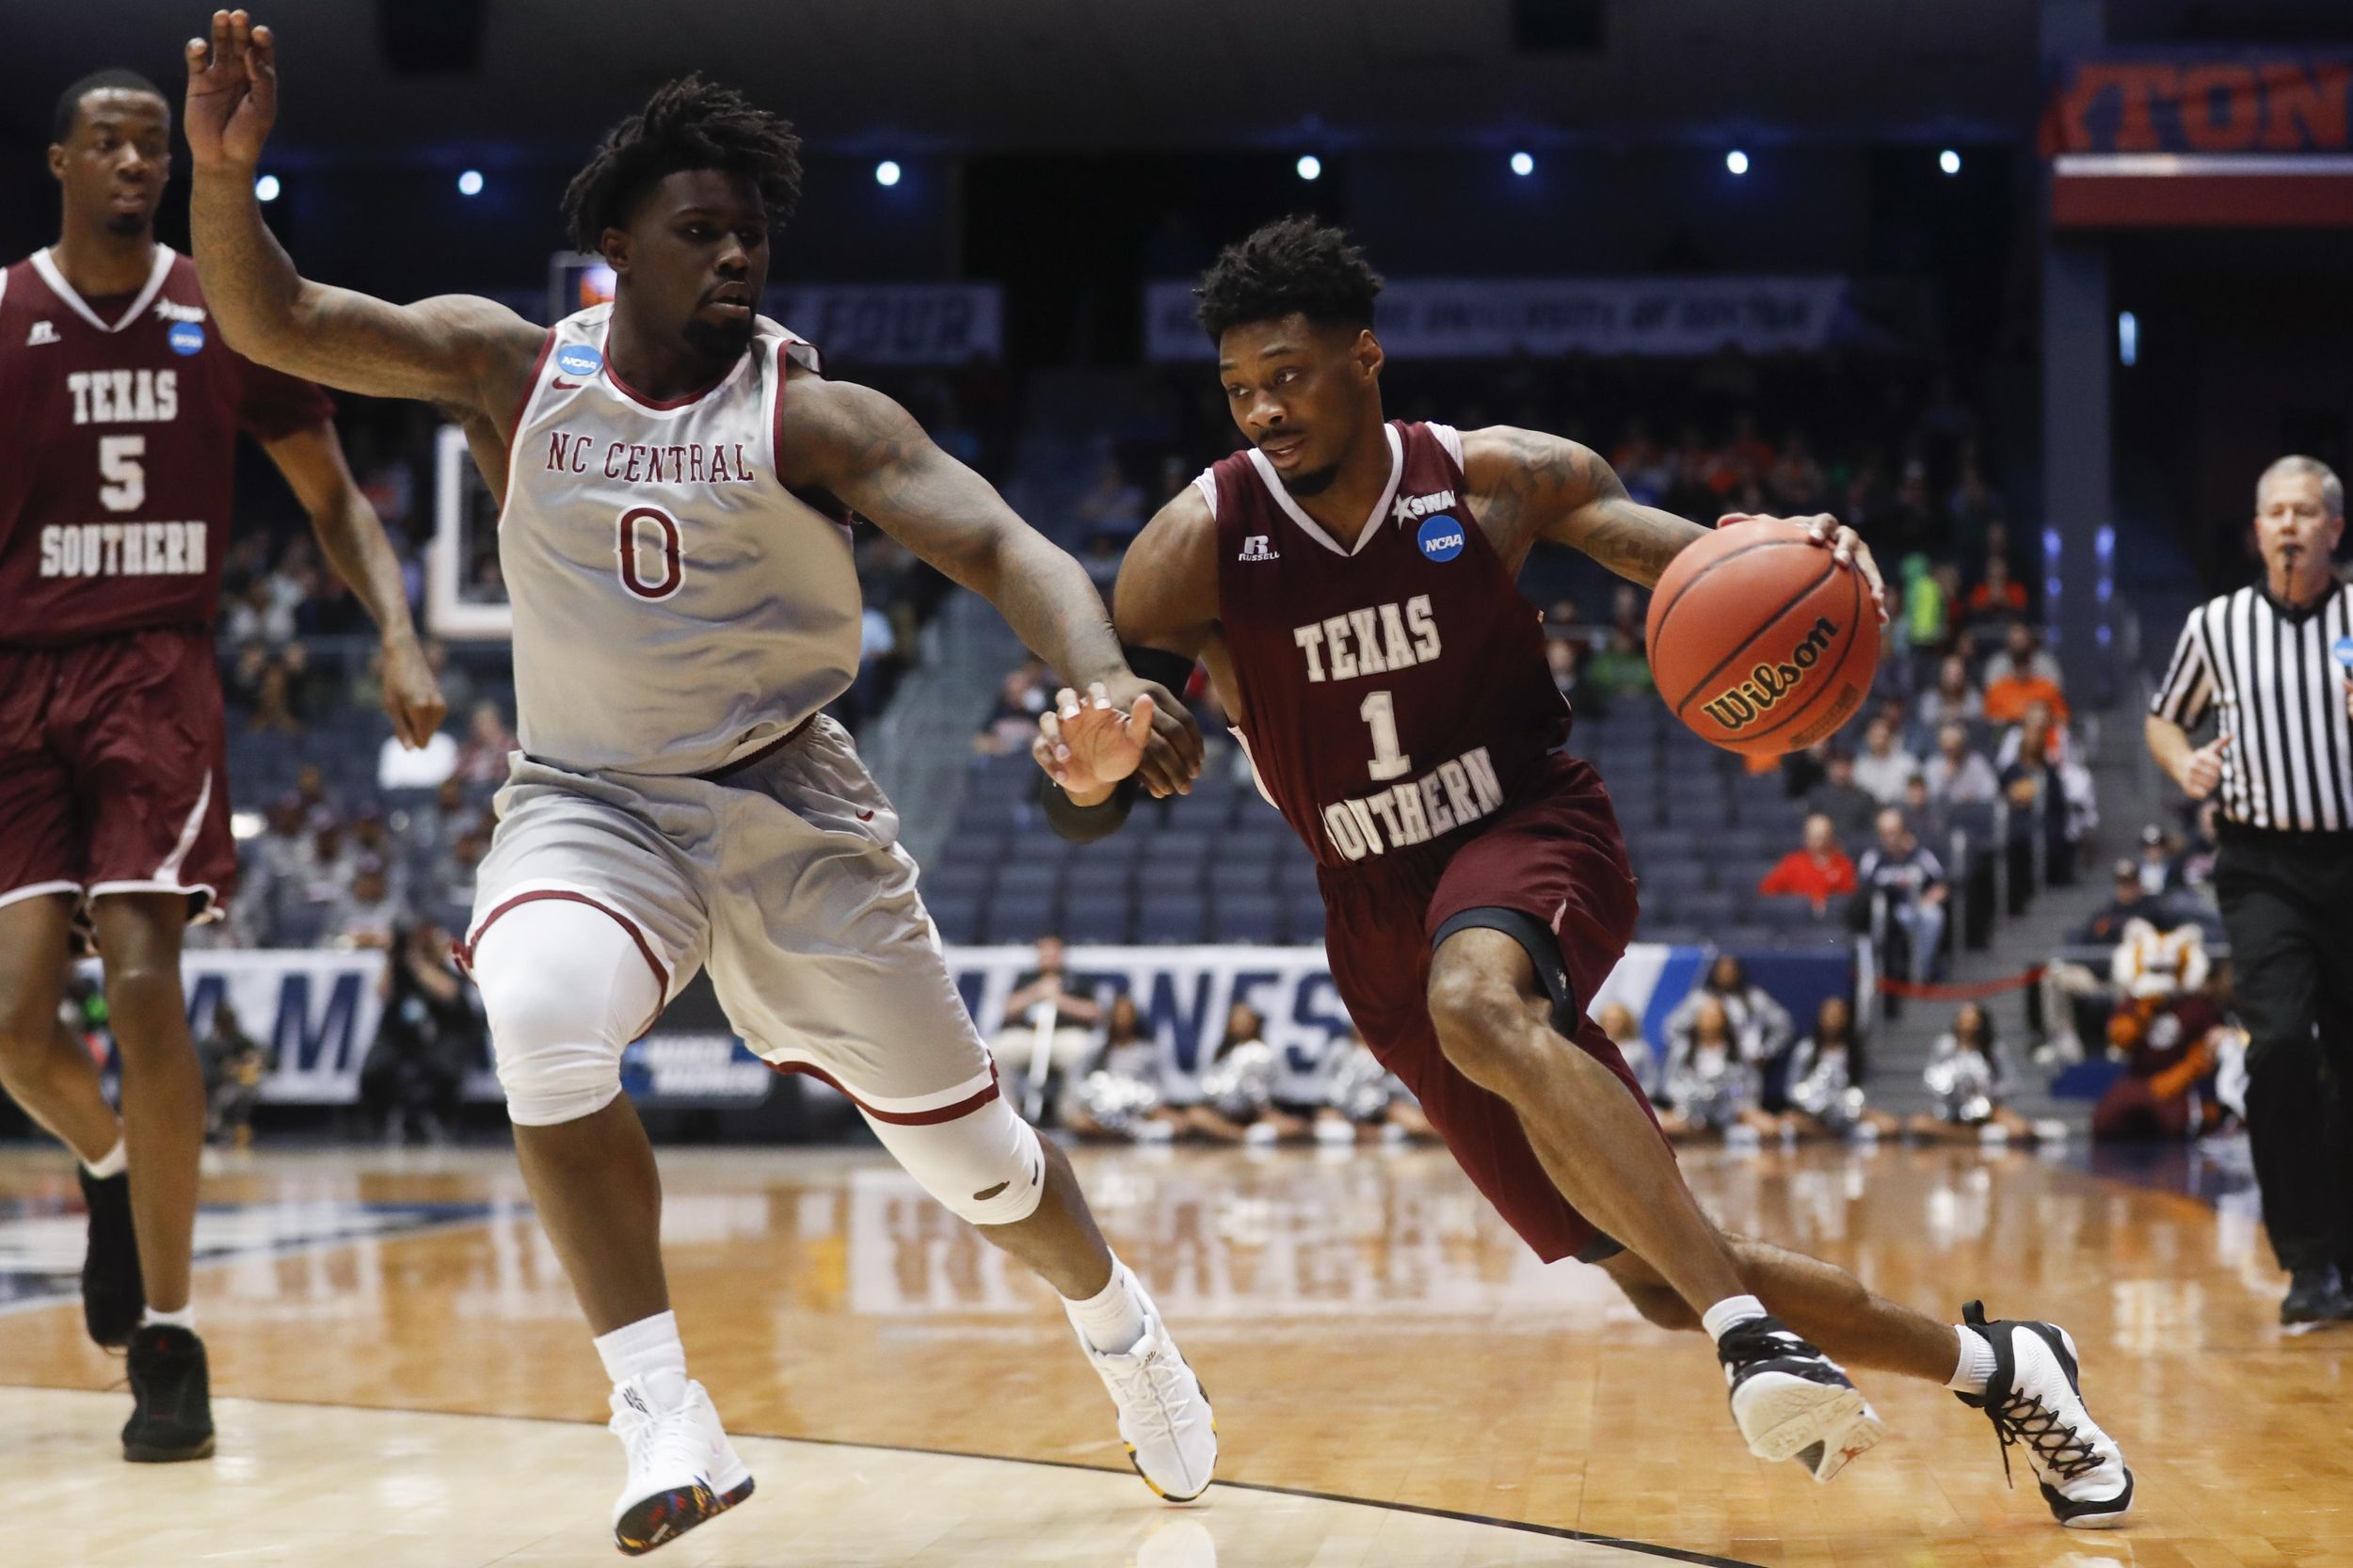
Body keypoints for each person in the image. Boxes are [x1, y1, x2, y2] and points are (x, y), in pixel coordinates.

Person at [185, 22, 1215, 1546]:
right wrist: (222, 176)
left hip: (789, 803)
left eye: (751, 233)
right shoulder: (508, 368)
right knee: (533, 1007)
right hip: (589, 798)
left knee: (977, 1162)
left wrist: (1107, 680)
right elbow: (273, 318)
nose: (735, 255)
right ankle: (661, 1406)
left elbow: (1005, 543)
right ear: (617, 247)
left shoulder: (813, 414)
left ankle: (1123, 1329)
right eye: (700, 229)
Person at [1032, 216, 2128, 1519]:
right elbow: (1118, 765)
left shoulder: (1496, 480)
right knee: (1652, 1269)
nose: (1264, 408)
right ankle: (2002, 1364)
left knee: (1481, 1002)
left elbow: (1704, 564)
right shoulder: (1193, 547)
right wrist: (1095, 774)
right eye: (1240, 388)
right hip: (1373, 908)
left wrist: (1819, 558)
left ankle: (1752, 1335)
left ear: (1367, 358)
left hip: (1528, 824)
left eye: (1289, 374)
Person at [0, 60, 444, 1464]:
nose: (136, 165)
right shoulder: (4, 316)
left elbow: (334, 500)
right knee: (11, 1027)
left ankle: (171, 1343)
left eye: (153, 147)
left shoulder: (221, 310)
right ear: (62, 161)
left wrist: (398, 628)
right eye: (112, 145)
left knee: (142, 975)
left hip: (156, 676)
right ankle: (120, 1172)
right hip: (17, 685)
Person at [2145, 454, 2353, 1326]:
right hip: (2262, 862)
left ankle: (2343, 1251)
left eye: (2308, 512)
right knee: (2276, 1051)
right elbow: (2163, 714)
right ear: (2258, 529)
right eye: (2278, 512)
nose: (2292, 526)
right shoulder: (2218, 624)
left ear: (2335, 529)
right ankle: (2304, 1259)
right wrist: (2182, 759)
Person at [359, 921, 481, 1147]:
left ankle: (439, 1124)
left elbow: (450, 994)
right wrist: (392, 959)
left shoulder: (447, 966)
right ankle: (378, 1125)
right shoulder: (399, 972)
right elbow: (382, 994)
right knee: (374, 1071)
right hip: (402, 1040)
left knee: (438, 1072)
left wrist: (418, 963)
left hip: (440, 1042)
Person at [993, 934, 1105, 1116]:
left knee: (1080, 1050)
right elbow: (1007, 1009)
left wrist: (1059, 999)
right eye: (1045, 953)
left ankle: (1071, 1114)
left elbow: (1094, 1013)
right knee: (999, 1050)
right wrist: (1036, 992)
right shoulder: (1027, 978)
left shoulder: (1076, 980)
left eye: (1053, 953)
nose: (1049, 958)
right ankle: (1009, 1115)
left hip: (1064, 1034)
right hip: (1027, 1034)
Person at [1177, 1003, 1311, 1144]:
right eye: (1236, 1019)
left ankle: (1249, 1135)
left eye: (1245, 1019)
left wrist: (1260, 1110)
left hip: (1257, 1114)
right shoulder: (1222, 1054)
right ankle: (1242, 1136)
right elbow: (1210, 1089)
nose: (1241, 1024)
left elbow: (1266, 1094)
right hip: (1224, 1115)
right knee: (1196, 1116)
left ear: (1255, 1023)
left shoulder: (1262, 1052)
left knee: (1295, 1126)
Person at [1908, 1002, 2037, 1144]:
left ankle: (1964, 1138)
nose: (1967, 1026)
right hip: (1950, 1111)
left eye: (1972, 1021)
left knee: (2020, 1128)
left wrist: (1988, 1092)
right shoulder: (1944, 1046)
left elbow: (2012, 1083)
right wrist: (1949, 1088)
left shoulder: (1994, 1048)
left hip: (1986, 1110)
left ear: (1981, 1023)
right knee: (1918, 1125)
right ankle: (1976, 1137)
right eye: (1963, 1020)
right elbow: (1929, 1079)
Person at [1060, 994, 1178, 1143]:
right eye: (1118, 1015)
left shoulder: (1147, 1052)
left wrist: (1144, 1103)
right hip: (1102, 1110)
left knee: (1177, 1123)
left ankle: (1136, 1132)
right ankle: (1119, 1136)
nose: (1122, 1020)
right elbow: (1078, 1082)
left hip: (1138, 1109)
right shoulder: (1097, 1053)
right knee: (1079, 1123)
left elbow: (1159, 1087)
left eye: (1126, 1015)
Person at [1658, 996, 1776, 1145]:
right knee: (1656, 1127)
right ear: (1696, 1020)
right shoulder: (1682, 1052)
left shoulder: (1738, 1052)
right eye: (1705, 1016)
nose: (1710, 1020)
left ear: (1724, 1020)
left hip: (1732, 1113)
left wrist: (1734, 1102)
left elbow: (1751, 1086)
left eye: (1715, 1016)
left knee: (1769, 1128)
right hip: (1689, 1114)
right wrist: (1689, 1102)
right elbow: (1670, 1085)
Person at [1777, 997, 1897, 1143]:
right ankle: (1826, 1134)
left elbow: (1866, 1085)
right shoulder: (1806, 1050)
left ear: (1846, 1019)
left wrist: (1854, 1107)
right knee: (1787, 1124)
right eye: (1829, 1015)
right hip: (1813, 1115)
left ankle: (1833, 1135)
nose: (1833, 1021)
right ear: (1820, 1018)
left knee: (1889, 1125)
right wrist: (1809, 1104)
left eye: (1838, 1016)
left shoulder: (1855, 1053)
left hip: (1849, 1115)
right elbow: (1791, 1088)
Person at [1854, 808, 1947, 987]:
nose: (1889, 837)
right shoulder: (1873, 857)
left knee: (1933, 916)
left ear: (1903, 831)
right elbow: (1863, 889)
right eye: (1884, 833)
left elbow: (1941, 885)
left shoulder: (1920, 854)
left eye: (1893, 832)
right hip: (1887, 911)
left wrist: (1926, 900)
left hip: (1916, 906)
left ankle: (1921, 973)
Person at [194, 1000, 269, 1149]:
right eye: (227, 1021)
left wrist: (259, 1057)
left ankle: (236, 1127)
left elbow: (271, 1056)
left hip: (235, 1090)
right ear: (218, 1023)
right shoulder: (206, 1045)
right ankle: (215, 1127)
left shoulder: (240, 1041)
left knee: (248, 1088)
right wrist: (225, 1071)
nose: (231, 1025)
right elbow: (204, 1076)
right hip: (210, 1095)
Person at [1756, 813, 1856, 917]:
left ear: (1830, 837)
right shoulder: (1792, 862)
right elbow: (1766, 890)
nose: (1817, 842)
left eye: (1821, 837)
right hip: (1797, 921)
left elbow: (1848, 900)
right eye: (1812, 836)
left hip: (1831, 922)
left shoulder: (1843, 864)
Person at [1804, 747, 1879, 844]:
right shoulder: (1817, 796)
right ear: (1829, 768)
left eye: (1845, 765)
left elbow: (1870, 831)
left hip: (1856, 848)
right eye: (1836, 765)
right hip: (1824, 846)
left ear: (1851, 767)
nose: (1840, 770)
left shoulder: (1865, 798)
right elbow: (1812, 826)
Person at [1922, 720, 1999, 808]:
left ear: (1962, 745)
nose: (1951, 749)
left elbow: (1991, 791)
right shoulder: (1933, 765)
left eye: (1955, 745)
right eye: (1947, 746)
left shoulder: (1977, 763)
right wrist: (1946, 779)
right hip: (1943, 816)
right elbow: (1929, 797)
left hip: (1972, 814)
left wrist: (1973, 798)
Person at [1851, 714, 1920, 808]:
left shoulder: (1907, 764)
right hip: (1869, 814)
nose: (1880, 742)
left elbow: (1916, 796)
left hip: (1901, 812)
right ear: (1868, 739)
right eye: (1875, 737)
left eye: (1883, 737)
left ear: (1891, 737)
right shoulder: (1860, 767)